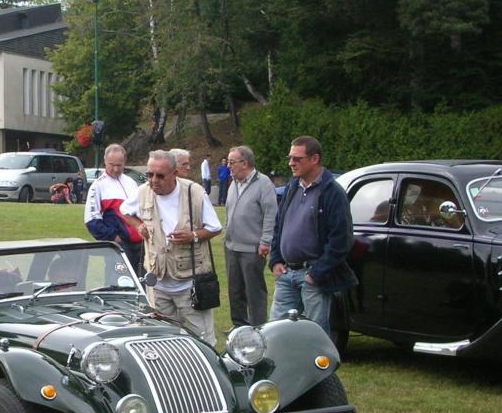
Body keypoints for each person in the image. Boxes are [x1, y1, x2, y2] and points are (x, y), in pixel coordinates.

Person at [120, 150, 223, 346]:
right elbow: (124, 210)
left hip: (190, 285)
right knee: (159, 342)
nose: (153, 180)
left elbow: (215, 227)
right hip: (157, 286)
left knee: (201, 342)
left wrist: (192, 236)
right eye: (149, 175)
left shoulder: (195, 192)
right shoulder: (143, 192)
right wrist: (138, 225)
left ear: (175, 173)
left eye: (160, 175)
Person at [268, 135, 357, 339]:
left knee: (315, 337)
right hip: (286, 274)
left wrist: (317, 273)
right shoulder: (292, 187)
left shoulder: (332, 192)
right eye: (290, 158)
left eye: (297, 159)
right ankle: (280, 371)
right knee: (274, 333)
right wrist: (275, 260)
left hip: (313, 276)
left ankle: (321, 372)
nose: (291, 163)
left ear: (314, 159)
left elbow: (341, 240)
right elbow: (279, 227)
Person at [223, 146, 277, 327]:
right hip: (231, 247)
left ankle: (258, 328)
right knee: (234, 290)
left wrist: (265, 241)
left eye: (231, 162)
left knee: (254, 291)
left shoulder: (264, 183)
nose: (228, 166)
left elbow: (271, 214)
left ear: (244, 163)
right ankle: (238, 328)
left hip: (252, 249)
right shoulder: (234, 183)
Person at [84, 143, 145, 274]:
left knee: (143, 284)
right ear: (105, 161)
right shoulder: (98, 186)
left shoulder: (131, 182)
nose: (116, 169)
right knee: (121, 281)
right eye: (112, 165)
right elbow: (91, 221)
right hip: (120, 245)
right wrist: (114, 238)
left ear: (125, 162)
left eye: (119, 165)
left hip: (141, 245)